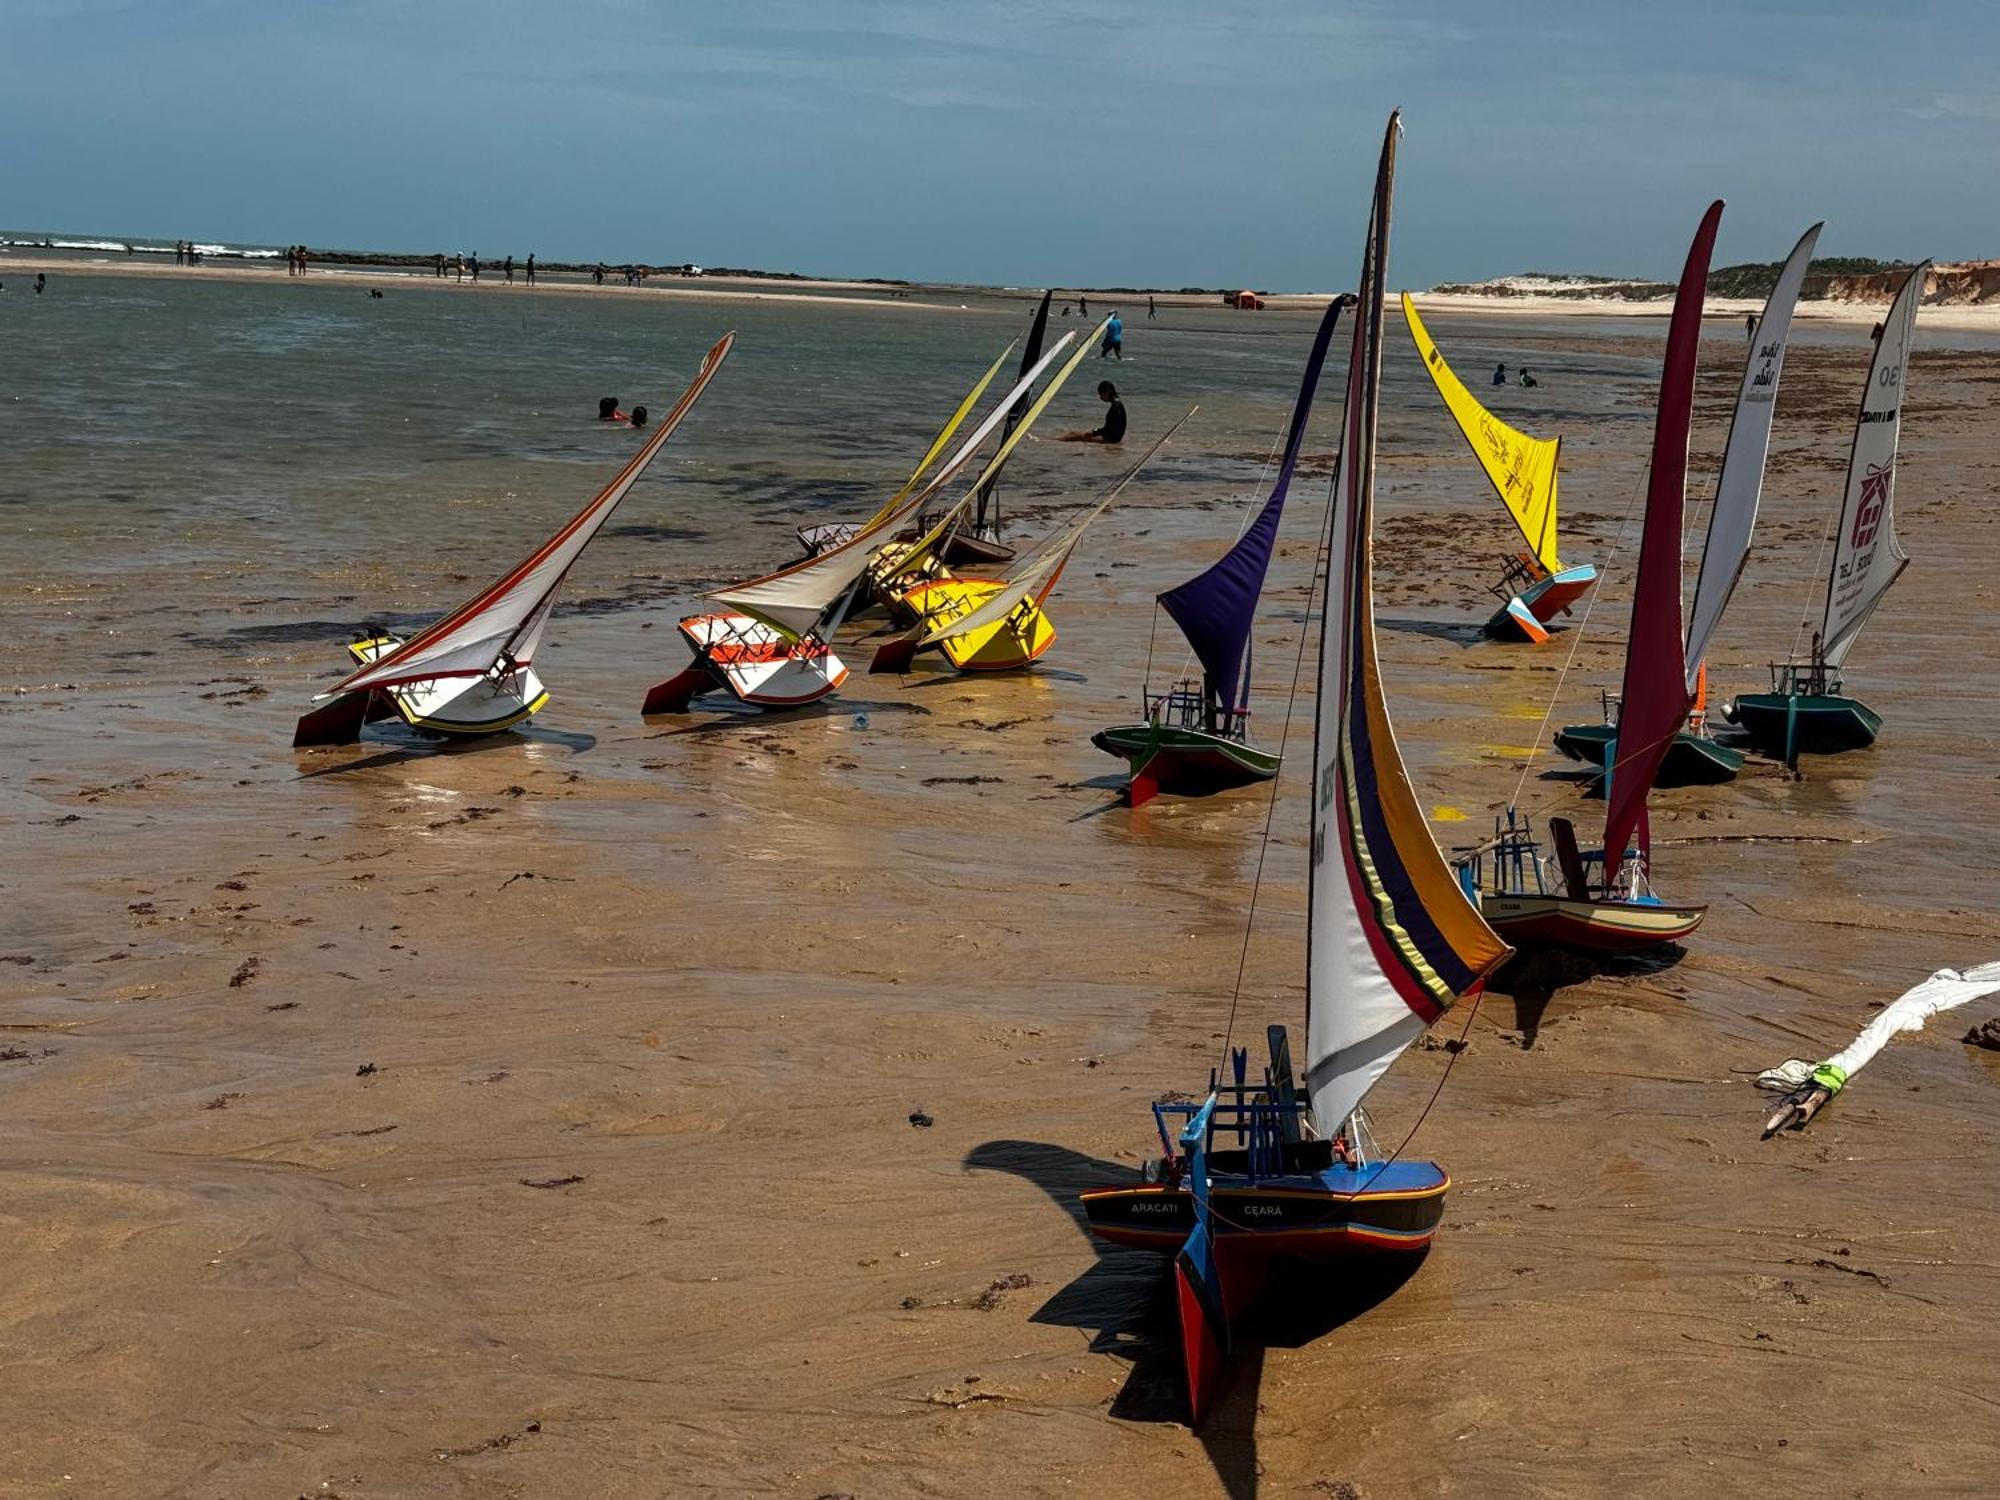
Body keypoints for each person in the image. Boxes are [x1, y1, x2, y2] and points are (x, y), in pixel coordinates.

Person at [1060, 381, 1126, 444]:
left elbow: (1110, 429)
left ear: (1107, 392)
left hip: (1110, 439)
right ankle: (1055, 440)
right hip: (1113, 438)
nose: (1100, 397)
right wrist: (1095, 431)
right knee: (1076, 433)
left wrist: (1094, 432)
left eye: (1101, 394)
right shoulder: (1117, 404)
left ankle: (1053, 441)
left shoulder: (1116, 407)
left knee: (1074, 435)